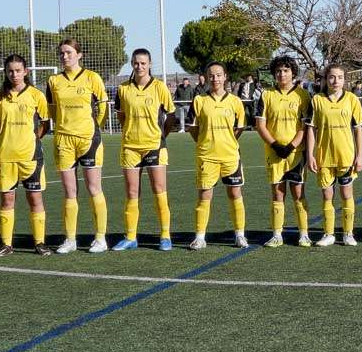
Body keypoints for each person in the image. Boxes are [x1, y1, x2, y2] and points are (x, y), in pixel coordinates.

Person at [45, 37, 110, 254]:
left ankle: (100, 238)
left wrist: (92, 127)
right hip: (64, 140)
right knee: (69, 192)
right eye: (62, 53)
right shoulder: (53, 81)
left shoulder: (92, 78)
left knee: (94, 188)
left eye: (69, 52)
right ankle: (70, 239)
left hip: (88, 140)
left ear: (79, 55)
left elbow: (102, 108)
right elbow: (52, 110)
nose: (65, 56)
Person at [113, 48, 177, 251]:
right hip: (130, 147)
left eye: (143, 63)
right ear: (132, 64)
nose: (139, 66)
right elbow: (121, 116)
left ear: (149, 64)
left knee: (159, 190)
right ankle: (131, 237)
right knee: (132, 192)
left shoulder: (159, 87)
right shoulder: (123, 89)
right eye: (136, 63)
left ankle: (165, 235)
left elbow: (171, 116)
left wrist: (161, 136)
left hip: (154, 146)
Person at [0, 53, 51, 256]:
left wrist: (30, 140)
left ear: (26, 71)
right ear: (5, 73)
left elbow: (45, 124)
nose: (14, 74)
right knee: (7, 200)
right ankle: (6, 244)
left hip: (31, 157)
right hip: (5, 157)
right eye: (10, 71)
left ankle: (40, 243)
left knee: (35, 199)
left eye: (18, 70)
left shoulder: (36, 95)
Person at [186, 63, 248, 249]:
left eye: (219, 75)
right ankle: (200, 237)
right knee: (205, 196)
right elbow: (193, 128)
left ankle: (240, 235)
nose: (215, 79)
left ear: (225, 77)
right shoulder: (199, 100)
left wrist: (227, 141)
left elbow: (239, 128)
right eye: (211, 75)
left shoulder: (235, 102)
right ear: (206, 77)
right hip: (207, 156)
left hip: (230, 156)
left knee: (235, 193)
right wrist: (205, 142)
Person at [306, 63, 362, 246]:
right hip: (324, 157)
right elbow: (311, 129)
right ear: (326, 79)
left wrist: (360, 155)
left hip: (346, 156)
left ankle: (348, 233)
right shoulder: (317, 100)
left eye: (340, 77)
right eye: (332, 77)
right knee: (327, 196)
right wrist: (310, 154)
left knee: (346, 194)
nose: (335, 81)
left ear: (344, 79)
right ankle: (329, 234)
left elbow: (357, 130)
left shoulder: (351, 99)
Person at [257, 55, 313, 247]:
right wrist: (275, 145)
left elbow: (305, 126)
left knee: (298, 194)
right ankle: (277, 235)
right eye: (278, 71)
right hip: (274, 153)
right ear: (274, 74)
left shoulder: (303, 96)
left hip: (296, 154)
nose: (282, 74)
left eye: (286, 71)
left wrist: (290, 146)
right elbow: (260, 125)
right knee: (277, 194)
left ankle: (304, 234)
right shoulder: (266, 95)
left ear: (293, 73)